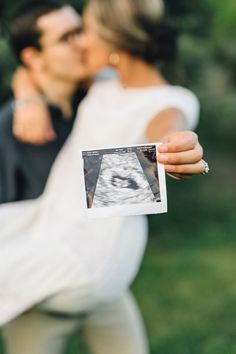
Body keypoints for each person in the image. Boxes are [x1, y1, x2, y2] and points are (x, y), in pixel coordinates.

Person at [0, 0, 208, 353]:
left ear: (113, 42)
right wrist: (27, 96)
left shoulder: (168, 99)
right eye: (71, 36)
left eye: (84, 32)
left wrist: (174, 148)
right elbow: (31, 64)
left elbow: (169, 121)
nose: (80, 43)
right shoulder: (102, 84)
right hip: (64, 259)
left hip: (98, 263)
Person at [0, 0, 87, 203]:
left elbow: (132, 198)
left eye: (81, 31)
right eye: (67, 38)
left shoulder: (99, 102)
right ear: (33, 58)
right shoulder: (7, 131)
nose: (83, 43)